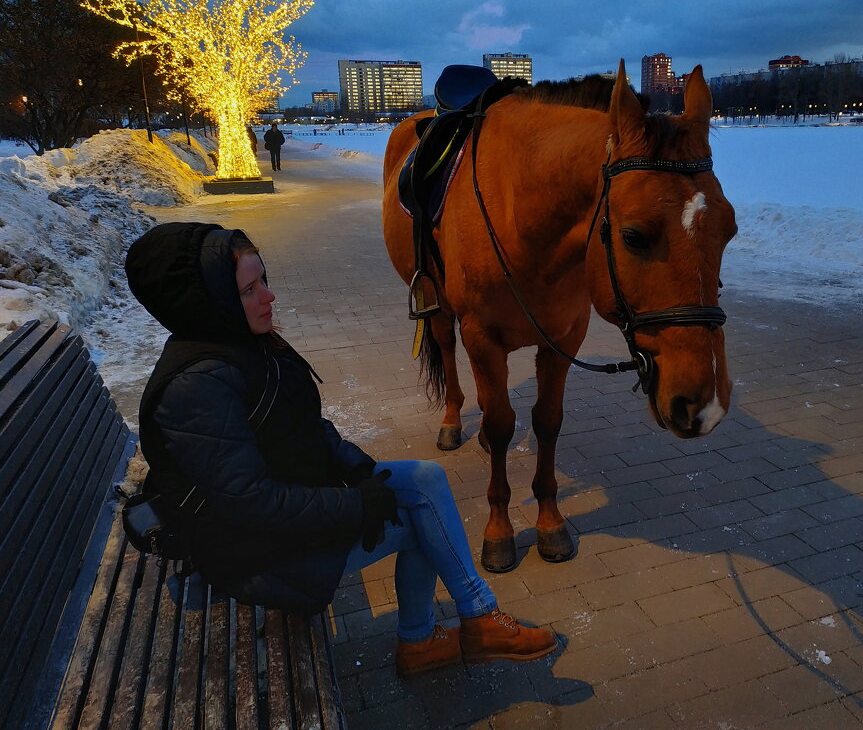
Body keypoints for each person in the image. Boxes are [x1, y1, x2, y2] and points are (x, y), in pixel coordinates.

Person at [124, 222, 557, 677]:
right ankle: (430, 637)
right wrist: (355, 506)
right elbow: (251, 505)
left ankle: (467, 620)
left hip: (286, 508)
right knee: (420, 525)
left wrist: (360, 470)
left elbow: (304, 427)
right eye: (250, 289)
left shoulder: (239, 343)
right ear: (209, 300)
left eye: (263, 280)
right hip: (251, 552)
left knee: (425, 480)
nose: (269, 297)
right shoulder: (197, 387)